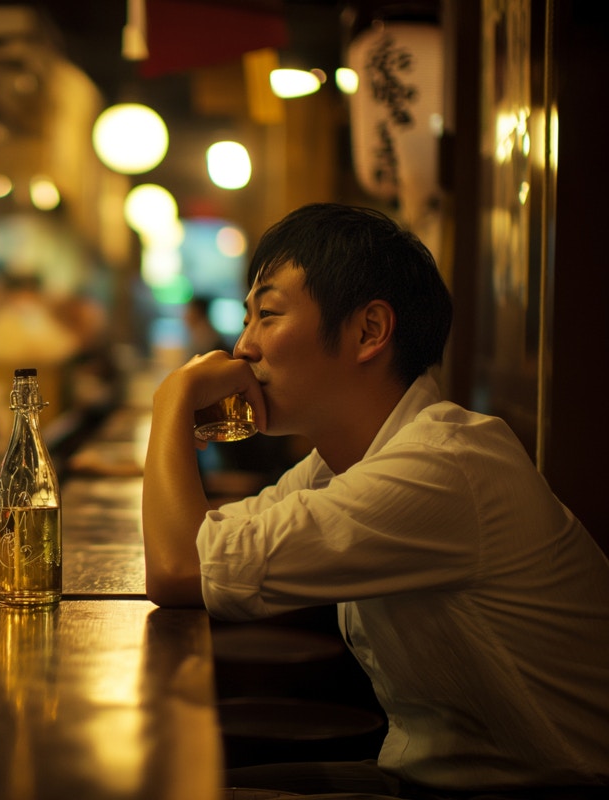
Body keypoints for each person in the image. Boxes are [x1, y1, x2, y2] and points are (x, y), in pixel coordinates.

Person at [141, 203, 609, 798]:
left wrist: (171, 402)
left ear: (368, 332)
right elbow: (198, 544)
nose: (242, 349)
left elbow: (181, 567)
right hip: (418, 777)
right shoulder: (342, 463)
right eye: (246, 319)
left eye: (268, 316)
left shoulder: (444, 466)